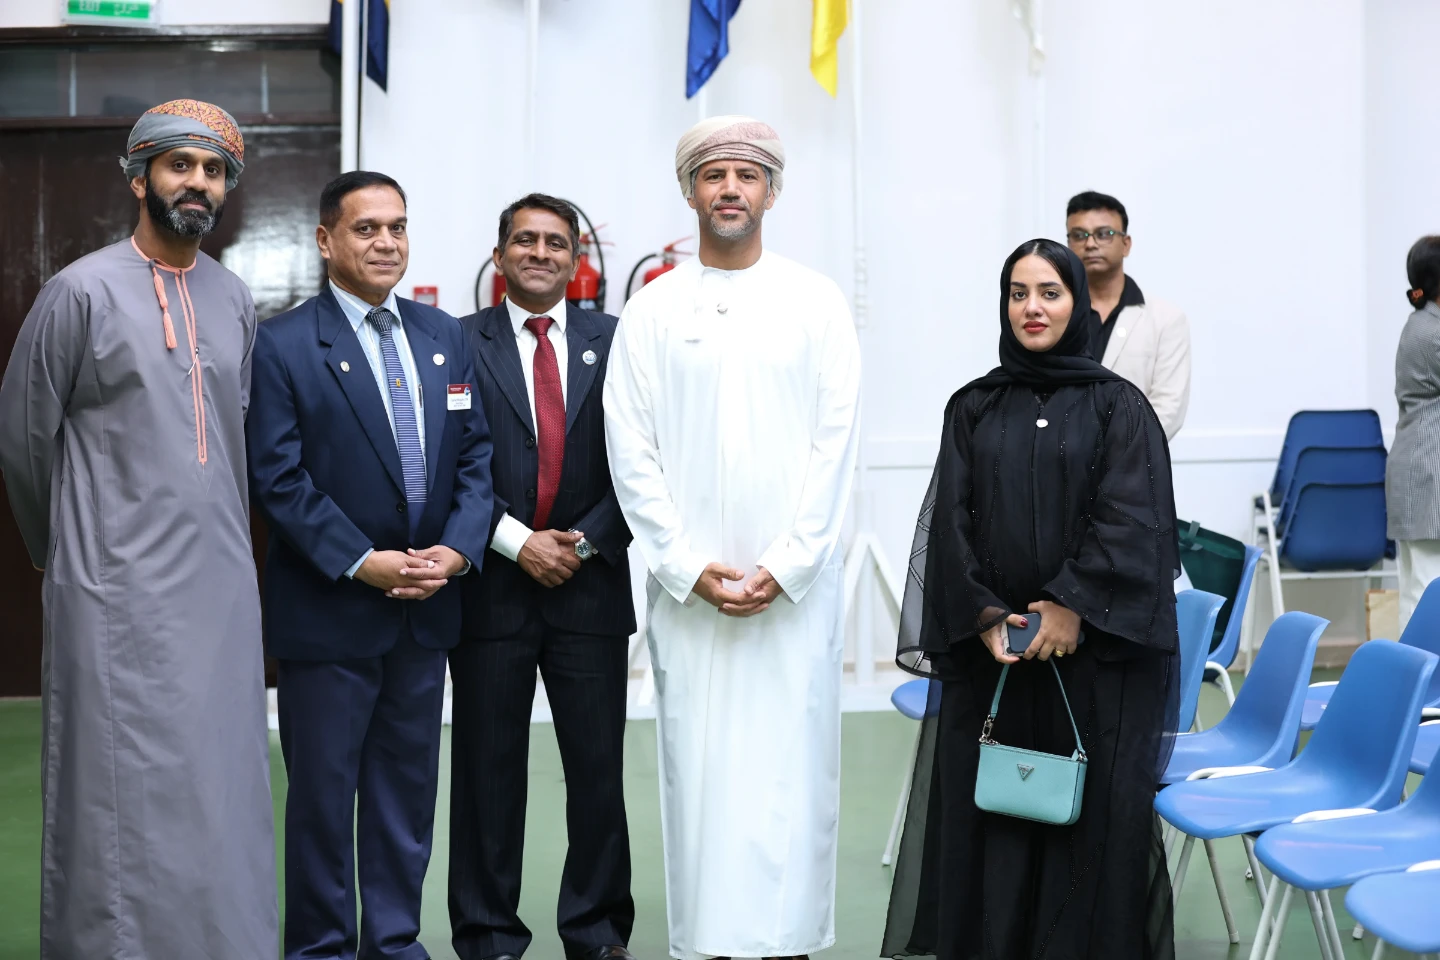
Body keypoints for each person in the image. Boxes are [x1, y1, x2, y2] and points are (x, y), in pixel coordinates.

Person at [0, 99, 277, 959]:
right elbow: (24, 440)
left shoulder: (234, 298)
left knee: (218, 780)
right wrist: (65, 554)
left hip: (220, 588)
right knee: (113, 787)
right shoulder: (78, 291)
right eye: (179, 165)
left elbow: (232, 434)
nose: (198, 182)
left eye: (214, 170)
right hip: (109, 589)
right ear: (139, 177)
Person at [604, 116, 861, 960]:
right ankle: (707, 945)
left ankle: (790, 943)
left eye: (747, 176)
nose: (730, 189)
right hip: (694, 599)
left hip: (794, 599)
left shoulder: (817, 302)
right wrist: (687, 566)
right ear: (689, 192)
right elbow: (631, 451)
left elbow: (836, 447)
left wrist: (787, 565)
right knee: (701, 779)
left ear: (772, 193)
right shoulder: (652, 309)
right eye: (713, 175)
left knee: (792, 779)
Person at [880, 239, 1180, 960]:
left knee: (1089, 826)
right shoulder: (974, 406)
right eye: (1018, 293)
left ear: (1077, 303)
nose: (1032, 308)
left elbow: (1134, 519)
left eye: (1050, 292)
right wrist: (985, 615)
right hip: (997, 660)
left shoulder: (1119, 406)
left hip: (1095, 662)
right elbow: (949, 525)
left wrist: (1070, 606)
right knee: (994, 820)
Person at [246, 170, 494, 960]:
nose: (386, 242)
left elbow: (475, 458)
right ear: (326, 241)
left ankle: (393, 944)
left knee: (405, 800)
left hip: (425, 613)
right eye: (366, 228)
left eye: (397, 226)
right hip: (330, 616)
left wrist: (459, 548)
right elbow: (278, 478)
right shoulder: (283, 344)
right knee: (323, 803)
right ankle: (320, 949)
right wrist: (362, 561)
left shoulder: (444, 335)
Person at [450, 194, 636, 960]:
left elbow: (645, 463)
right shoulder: (455, 343)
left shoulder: (620, 342)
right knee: (487, 778)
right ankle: (489, 935)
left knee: (597, 776)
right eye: (523, 240)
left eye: (555, 242)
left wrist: (582, 545)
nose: (539, 252)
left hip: (590, 595)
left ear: (576, 259)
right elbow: (446, 463)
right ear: (499, 256)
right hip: (491, 594)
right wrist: (516, 542)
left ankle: (597, 932)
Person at [1065, 190, 1191, 439]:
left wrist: (1112, 451)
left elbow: (1169, 409)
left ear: (1126, 244)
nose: (1090, 244)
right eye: (1079, 235)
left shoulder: (1166, 319)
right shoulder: (1052, 314)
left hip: (1133, 456)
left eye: (1104, 234)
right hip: (1060, 456)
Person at [1387, 235, 1440, 630]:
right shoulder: (1431, 332)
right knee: (1427, 589)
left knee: (1416, 591)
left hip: (1417, 467)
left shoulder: (1420, 324)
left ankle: (1413, 668)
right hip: (1427, 471)